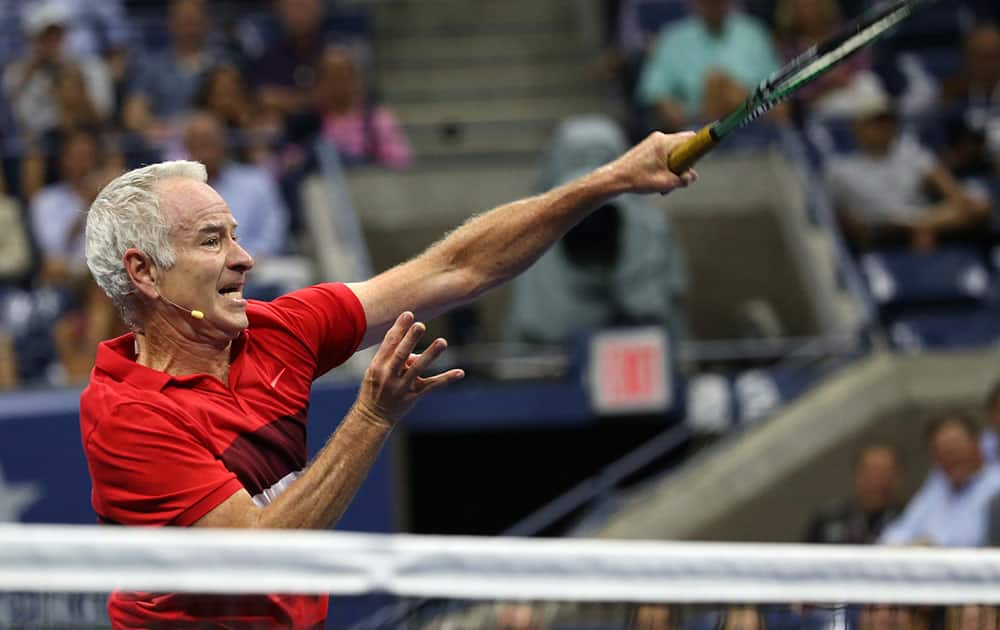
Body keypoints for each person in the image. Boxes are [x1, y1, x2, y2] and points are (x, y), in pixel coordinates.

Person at [80, 130, 699, 627]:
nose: (244, 258)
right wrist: (371, 418)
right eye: (212, 241)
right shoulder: (126, 416)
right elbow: (259, 554)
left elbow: (456, 268)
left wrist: (611, 178)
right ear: (145, 273)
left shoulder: (278, 331)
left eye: (236, 236)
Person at [823, 79, 991, 252]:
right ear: (858, 127)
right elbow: (835, 219)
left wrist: (922, 225)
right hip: (881, 233)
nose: (885, 127)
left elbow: (956, 195)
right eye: (876, 122)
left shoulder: (913, 154)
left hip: (925, 222)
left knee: (979, 205)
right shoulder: (839, 169)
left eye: (889, 121)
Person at [635, 0, 782, 131]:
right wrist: (698, 117)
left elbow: (782, 105)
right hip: (696, 133)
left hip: (757, 130)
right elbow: (657, 98)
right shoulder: (672, 39)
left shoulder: (754, 33)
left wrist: (739, 98)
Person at [879, 413, 1000, 547]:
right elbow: (896, 533)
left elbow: (975, 540)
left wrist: (932, 544)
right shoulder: (937, 485)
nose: (950, 458)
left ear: (976, 444)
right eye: (942, 451)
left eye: (955, 448)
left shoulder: (996, 484)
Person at [805, 442, 903, 544]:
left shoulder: (908, 518)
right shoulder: (828, 519)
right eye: (871, 472)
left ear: (897, 478)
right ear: (857, 474)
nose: (876, 481)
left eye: (884, 473)